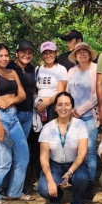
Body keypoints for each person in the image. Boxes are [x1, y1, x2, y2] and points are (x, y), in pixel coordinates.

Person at [0, 44, 32, 204]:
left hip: (13, 118)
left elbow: (22, 95)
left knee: (23, 155)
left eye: (6, 55)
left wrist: (10, 100)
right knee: (4, 158)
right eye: (0, 56)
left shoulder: (12, 72)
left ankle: (14, 192)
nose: (4, 59)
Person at [37, 92, 90, 204]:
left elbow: (82, 154)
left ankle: (77, 201)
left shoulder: (80, 125)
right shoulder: (48, 128)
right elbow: (43, 158)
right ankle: (56, 196)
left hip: (75, 164)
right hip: (55, 165)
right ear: (55, 107)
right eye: (60, 105)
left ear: (72, 107)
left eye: (67, 104)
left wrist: (70, 172)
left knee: (82, 177)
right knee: (44, 189)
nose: (63, 108)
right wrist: (50, 181)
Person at [65, 42, 100, 198]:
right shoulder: (71, 71)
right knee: (74, 150)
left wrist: (80, 110)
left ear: (90, 54)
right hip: (72, 117)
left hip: (89, 117)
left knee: (89, 151)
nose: (82, 54)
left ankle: (89, 183)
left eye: (85, 51)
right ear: (76, 55)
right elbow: (66, 92)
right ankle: (76, 180)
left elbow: (98, 94)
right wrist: (68, 110)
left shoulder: (95, 69)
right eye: (79, 52)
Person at [31, 41, 68, 184]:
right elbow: (34, 89)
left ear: (56, 53)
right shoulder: (38, 69)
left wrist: (46, 103)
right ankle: (39, 175)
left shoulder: (60, 69)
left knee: (54, 142)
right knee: (38, 142)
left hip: (53, 108)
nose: (48, 55)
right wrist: (38, 102)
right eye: (45, 53)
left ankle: (57, 175)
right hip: (38, 108)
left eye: (51, 52)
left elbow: (61, 92)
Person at [7, 40, 37, 151]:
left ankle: (19, 168)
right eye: (23, 52)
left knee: (21, 146)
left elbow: (33, 89)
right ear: (16, 53)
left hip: (28, 114)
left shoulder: (32, 69)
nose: (26, 55)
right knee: (10, 145)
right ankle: (8, 167)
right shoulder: (8, 67)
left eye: (30, 52)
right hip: (13, 113)